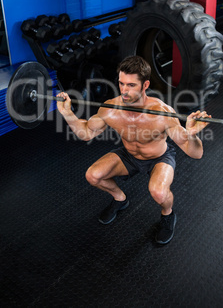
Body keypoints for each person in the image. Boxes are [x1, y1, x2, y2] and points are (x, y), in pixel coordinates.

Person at [57, 56, 211, 245]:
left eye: (131, 85)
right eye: (121, 84)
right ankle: (120, 199)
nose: (124, 91)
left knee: (159, 193)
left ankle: (168, 215)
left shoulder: (163, 113)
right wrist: (68, 114)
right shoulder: (111, 109)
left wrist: (192, 134)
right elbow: (87, 132)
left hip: (159, 157)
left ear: (145, 85)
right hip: (129, 155)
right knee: (93, 175)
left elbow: (195, 152)